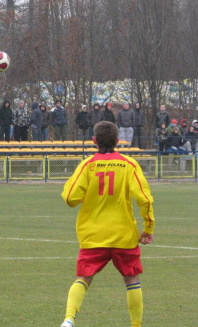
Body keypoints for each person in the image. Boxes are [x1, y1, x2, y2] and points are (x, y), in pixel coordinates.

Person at [60, 121, 155, 327]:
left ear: (94, 141)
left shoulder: (87, 165)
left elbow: (69, 198)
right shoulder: (129, 165)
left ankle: (69, 319)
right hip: (124, 235)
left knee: (83, 278)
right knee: (132, 280)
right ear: (118, 141)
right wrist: (148, 228)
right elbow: (145, 199)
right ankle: (136, 324)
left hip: (93, 235)